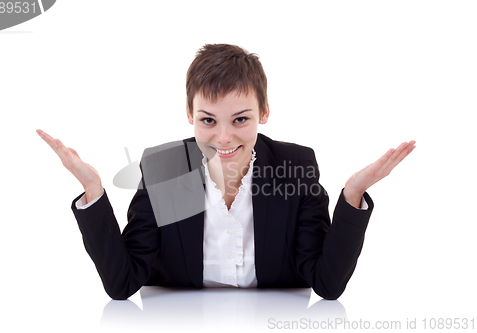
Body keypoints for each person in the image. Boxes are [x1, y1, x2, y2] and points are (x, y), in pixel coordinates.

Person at [36, 44, 416, 300]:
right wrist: (92, 190)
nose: (223, 136)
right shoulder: (169, 168)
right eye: (207, 120)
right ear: (190, 115)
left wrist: (351, 195)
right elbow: (122, 283)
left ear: (264, 112)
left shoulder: (293, 167)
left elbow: (327, 285)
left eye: (240, 119)